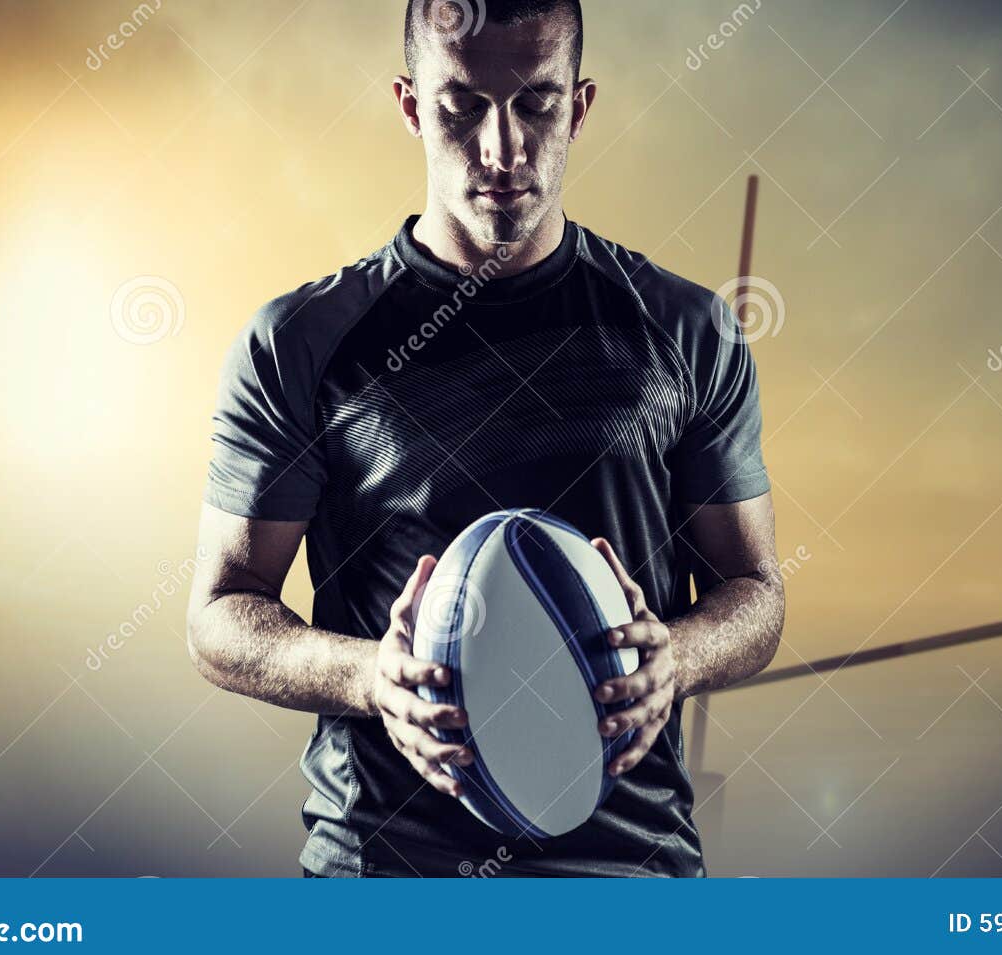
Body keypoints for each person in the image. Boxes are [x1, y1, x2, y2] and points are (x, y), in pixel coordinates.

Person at [185, 0, 784, 877]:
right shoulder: (301, 342)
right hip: (386, 878)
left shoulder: (686, 330)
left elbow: (756, 591)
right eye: (462, 107)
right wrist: (370, 678)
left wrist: (678, 657)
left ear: (578, 107)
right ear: (410, 105)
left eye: (535, 103)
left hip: (627, 877)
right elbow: (219, 614)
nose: (501, 150)